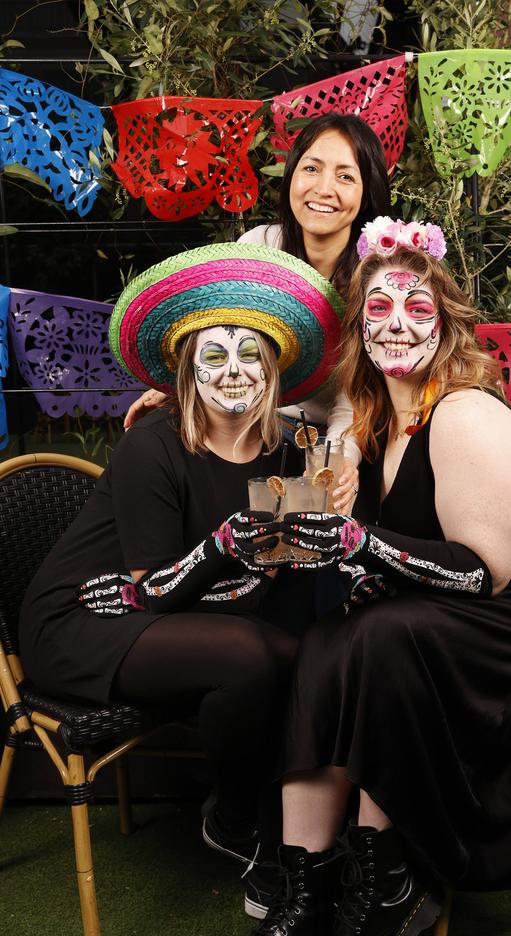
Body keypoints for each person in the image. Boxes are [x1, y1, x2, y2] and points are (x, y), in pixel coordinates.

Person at [204, 219, 511, 936]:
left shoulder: (464, 414)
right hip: (443, 611)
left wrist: (358, 545)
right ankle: (305, 891)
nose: (395, 323)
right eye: (376, 309)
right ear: (357, 328)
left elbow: (481, 576)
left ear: (448, 321)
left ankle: (386, 887)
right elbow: (374, 528)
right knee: (323, 636)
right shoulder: (379, 417)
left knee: (380, 635)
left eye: (416, 307)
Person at [18, 242, 345, 863]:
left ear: (274, 370)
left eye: (251, 355)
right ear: (187, 367)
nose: (233, 372)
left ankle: (303, 833)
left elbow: (281, 575)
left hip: (189, 613)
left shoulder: (289, 456)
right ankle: (235, 818)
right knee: (251, 655)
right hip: (92, 620)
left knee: (316, 649)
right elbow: (154, 592)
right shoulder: (152, 446)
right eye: (213, 356)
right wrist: (231, 547)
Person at [124, 112, 393, 503]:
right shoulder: (262, 247)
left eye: (346, 176)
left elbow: (354, 399)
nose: (324, 189)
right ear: (291, 179)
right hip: (257, 425)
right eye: (312, 169)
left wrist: (337, 457)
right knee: (161, 435)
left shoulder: (375, 276)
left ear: (367, 192)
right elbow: (214, 330)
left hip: (348, 435)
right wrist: (170, 387)